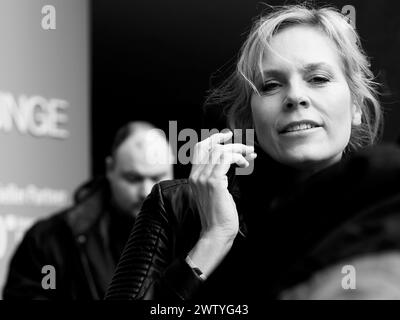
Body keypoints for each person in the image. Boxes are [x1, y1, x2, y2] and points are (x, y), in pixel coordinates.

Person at [105, 5, 400, 301]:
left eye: (318, 79)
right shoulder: (175, 205)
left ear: (356, 107)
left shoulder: (385, 210)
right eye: (270, 85)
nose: (295, 96)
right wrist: (214, 238)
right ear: (249, 118)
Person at [2, 121, 174, 299]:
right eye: (133, 178)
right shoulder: (49, 240)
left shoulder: (196, 231)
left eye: (157, 177)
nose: (146, 191)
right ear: (110, 169)